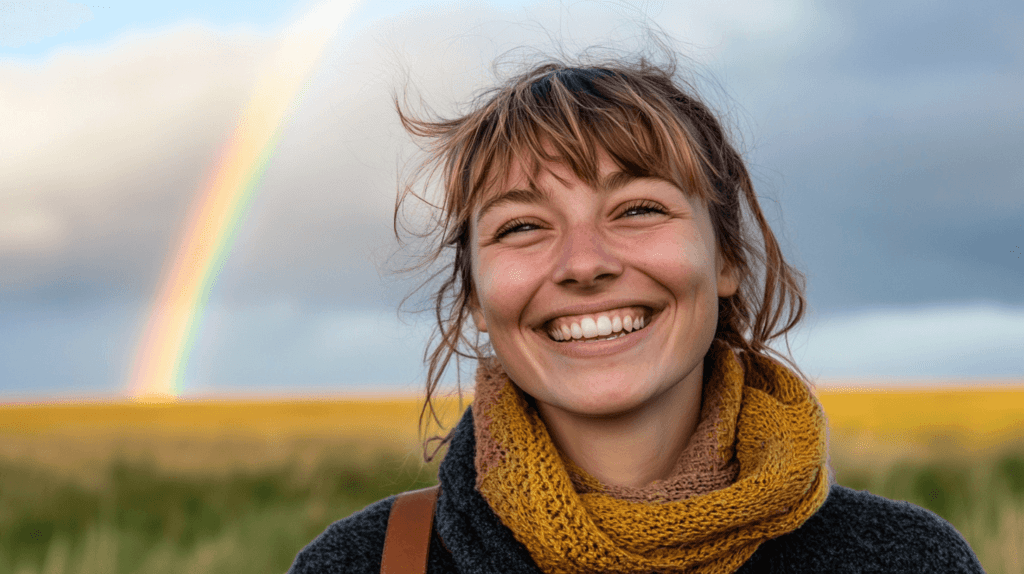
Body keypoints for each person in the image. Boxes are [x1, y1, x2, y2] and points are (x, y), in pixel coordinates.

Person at [288, 47, 984, 573]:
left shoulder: (906, 560)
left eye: (639, 208)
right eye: (523, 226)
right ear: (475, 295)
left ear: (727, 260)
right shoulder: (366, 563)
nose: (584, 262)